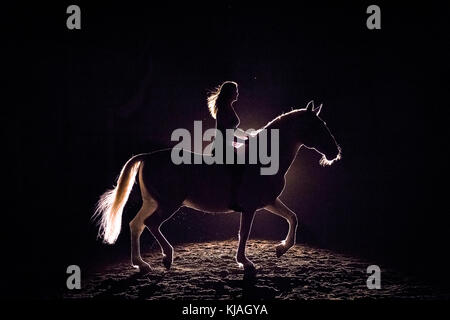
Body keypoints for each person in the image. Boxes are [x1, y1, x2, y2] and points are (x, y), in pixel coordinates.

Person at [206, 81, 248, 211]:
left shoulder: (228, 107)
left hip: (227, 147)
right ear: (230, 93)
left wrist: (247, 137)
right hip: (221, 148)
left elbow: (232, 129)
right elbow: (225, 132)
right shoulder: (224, 108)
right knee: (240, 168)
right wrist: (244, 141)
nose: (238, 93)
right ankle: (233, 201)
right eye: (235, 91)